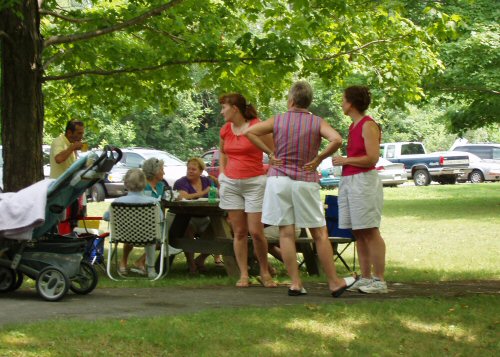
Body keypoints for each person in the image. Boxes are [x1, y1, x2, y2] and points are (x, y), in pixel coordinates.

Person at [245, 81, 355, 297]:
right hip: (305, 180)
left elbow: (250, 132)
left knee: (286, 232)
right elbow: (337, 139)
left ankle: (295, 283)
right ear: (308, 101)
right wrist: (319, 158)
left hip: (278, 181)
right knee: (319, 232)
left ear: (292, 100)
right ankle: (334, 282)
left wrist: (270, 153)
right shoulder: (316, 122)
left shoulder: (278, 120)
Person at [332, 85, 387, 294]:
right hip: (349, 180)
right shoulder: (353, 126)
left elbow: (372, 158)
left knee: (370, 229)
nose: (341, 103)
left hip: (363, 181)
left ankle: (379, 280)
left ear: (352, 103)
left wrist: (346, 159)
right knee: (358, 231)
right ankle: (365, 278)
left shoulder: (368, 125)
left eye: (343, 99)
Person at [218, 93, 276, 288]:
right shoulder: (225, 129)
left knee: (256, 231)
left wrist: (270, 176)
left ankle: (265, 272)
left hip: (254, 183)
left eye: (224, 107)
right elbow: (223, 153)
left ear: (235, 108)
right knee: (239, 232)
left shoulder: (257, 126)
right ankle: (244, 274)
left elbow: (273, 152)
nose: (221, 111)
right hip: (231, 185)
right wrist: (222, 174)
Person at [121, 157, 182, 274]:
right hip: (136, 223)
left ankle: (140, 261)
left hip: (151, 225)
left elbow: (170, 196)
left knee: (159, 231)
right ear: (155, 172)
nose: (164, 172)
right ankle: (129, 262)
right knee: (161, 230)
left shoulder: (160, 186)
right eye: (162, 170)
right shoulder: (141, 186)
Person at [103, 169, 159, 279]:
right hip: (147, 236)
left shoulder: (117, 202)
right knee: (153, 236)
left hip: (123, 236)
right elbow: (160, 218)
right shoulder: (153, 202)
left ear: (126, 184)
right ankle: (151, 268)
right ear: (145, 183)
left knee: (148, 234)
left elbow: (106, 217)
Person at [173, 157, 219, 273]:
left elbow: (217, 194)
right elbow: (183, 196)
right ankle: (191, 264)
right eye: (188, 169)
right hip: (188, 218)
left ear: (201, 171)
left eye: (193, 169)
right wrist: (203, 193)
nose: (190, 171)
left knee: (218, 230)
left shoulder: (206, 181)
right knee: (187, 229)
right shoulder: (181, 182)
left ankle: (200, 259)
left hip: (206, 217)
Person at [50, 120, 86, 234]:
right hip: (59, 189)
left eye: (82, 133)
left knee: (72, 220)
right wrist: (72, 148)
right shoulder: (59, 142)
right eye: (79, 133)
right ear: (70, 133)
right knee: (59, 220)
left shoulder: (70, 145)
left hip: (69, 189)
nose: (82, 136)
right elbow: (59, 159)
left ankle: (70, 235)